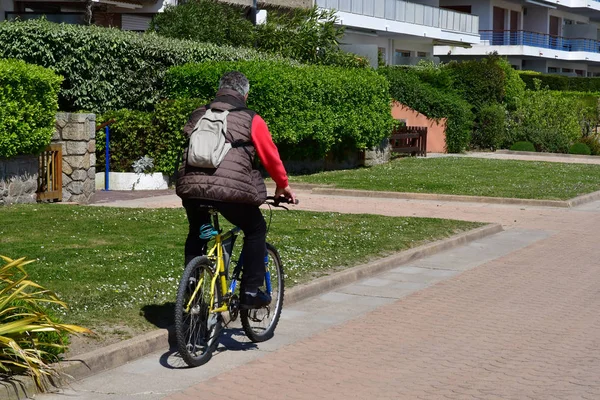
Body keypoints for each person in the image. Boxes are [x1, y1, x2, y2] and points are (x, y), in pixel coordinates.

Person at [176, 71, 295, 309]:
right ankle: (251, 291)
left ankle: (191, 289)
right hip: (231, 193)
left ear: (220, 90)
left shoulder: (199, 113)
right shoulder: (251, 118)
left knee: (198, 233)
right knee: (256, 228)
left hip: (191, 188)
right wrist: (282, 185)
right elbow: (270, 156)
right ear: (245, 94)